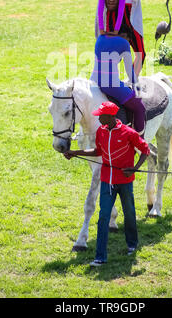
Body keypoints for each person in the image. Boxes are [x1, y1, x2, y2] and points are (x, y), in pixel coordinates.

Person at [64, 101, 150, 266]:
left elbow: (145, 150)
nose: (98, 118)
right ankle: (100, 257)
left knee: (130, 214)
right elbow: (98, 151)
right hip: (107, 181)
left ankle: (132, 244)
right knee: (103, 217)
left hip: (125, 182)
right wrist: (76, 153)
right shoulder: (101, 132)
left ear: (110, 117)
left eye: (101, 116)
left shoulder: (128, 133)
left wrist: (135, 168)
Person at [90, 33, 146, 136]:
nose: (129, 42)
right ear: (125, 35)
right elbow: (129, 71)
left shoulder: (100, 38)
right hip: (111, 85)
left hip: (93, 82)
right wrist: (137, 87)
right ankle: (139, 140)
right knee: (140, 107)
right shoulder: (124, 43)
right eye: (129, 40)